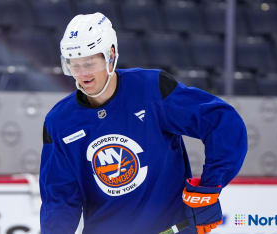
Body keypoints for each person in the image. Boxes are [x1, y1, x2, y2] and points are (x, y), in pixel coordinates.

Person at [40, 12, 248, 234]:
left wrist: (209, 187)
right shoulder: (60, 122)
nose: (82, 74)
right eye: (75, 65)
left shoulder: (151, 90)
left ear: (110, 55)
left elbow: (222, 122)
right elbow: (59, 201)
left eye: (89, 63)